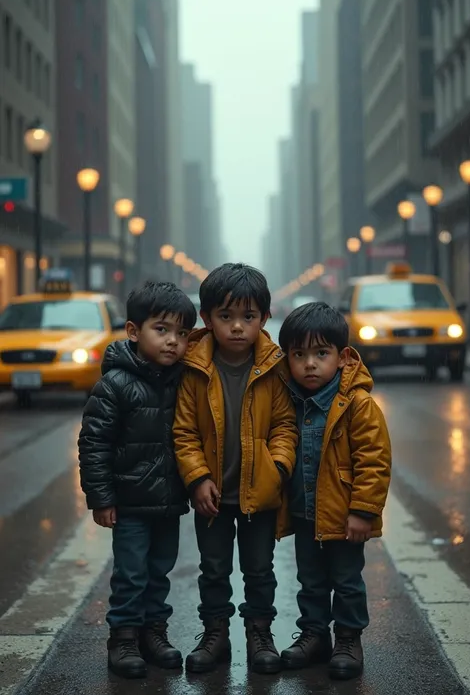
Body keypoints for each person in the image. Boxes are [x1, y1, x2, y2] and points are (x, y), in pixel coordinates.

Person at [173, 263, 298, 675]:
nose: (238, 327)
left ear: (265, 316)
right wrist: (197, 477)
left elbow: (284, 425)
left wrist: (277, 467)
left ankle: (260, 634)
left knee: (260, 569)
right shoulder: (194, 367)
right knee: (213, 570)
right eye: (226, 317)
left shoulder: (274, 366)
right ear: (207, 318)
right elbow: (185, 430)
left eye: (248, 317)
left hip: (259, 492)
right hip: (212, 495)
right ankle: (215, 634)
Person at [78, 281, 197, 679]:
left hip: (168, 500)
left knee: (160, 569)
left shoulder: (182, 380)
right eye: (161, 330)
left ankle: (154, 632)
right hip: (129, 502)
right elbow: (94, 442)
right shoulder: (115, 384)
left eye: (182, 334)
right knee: (131, 572)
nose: (172, 342)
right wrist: (101, 497)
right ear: (133, 331)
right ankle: (124, 639)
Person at [278, 302, 391, 680]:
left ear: (342, 357)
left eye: (321, 353)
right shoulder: (288, 401)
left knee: (346, 580)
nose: (310, 364)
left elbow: (374, 461)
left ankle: (347, 638)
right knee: (310, 581)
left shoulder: (357, 405)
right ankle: (314, 634)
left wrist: (363, 511)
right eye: (299, 355)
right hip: (304, 512)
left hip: (344, 517)